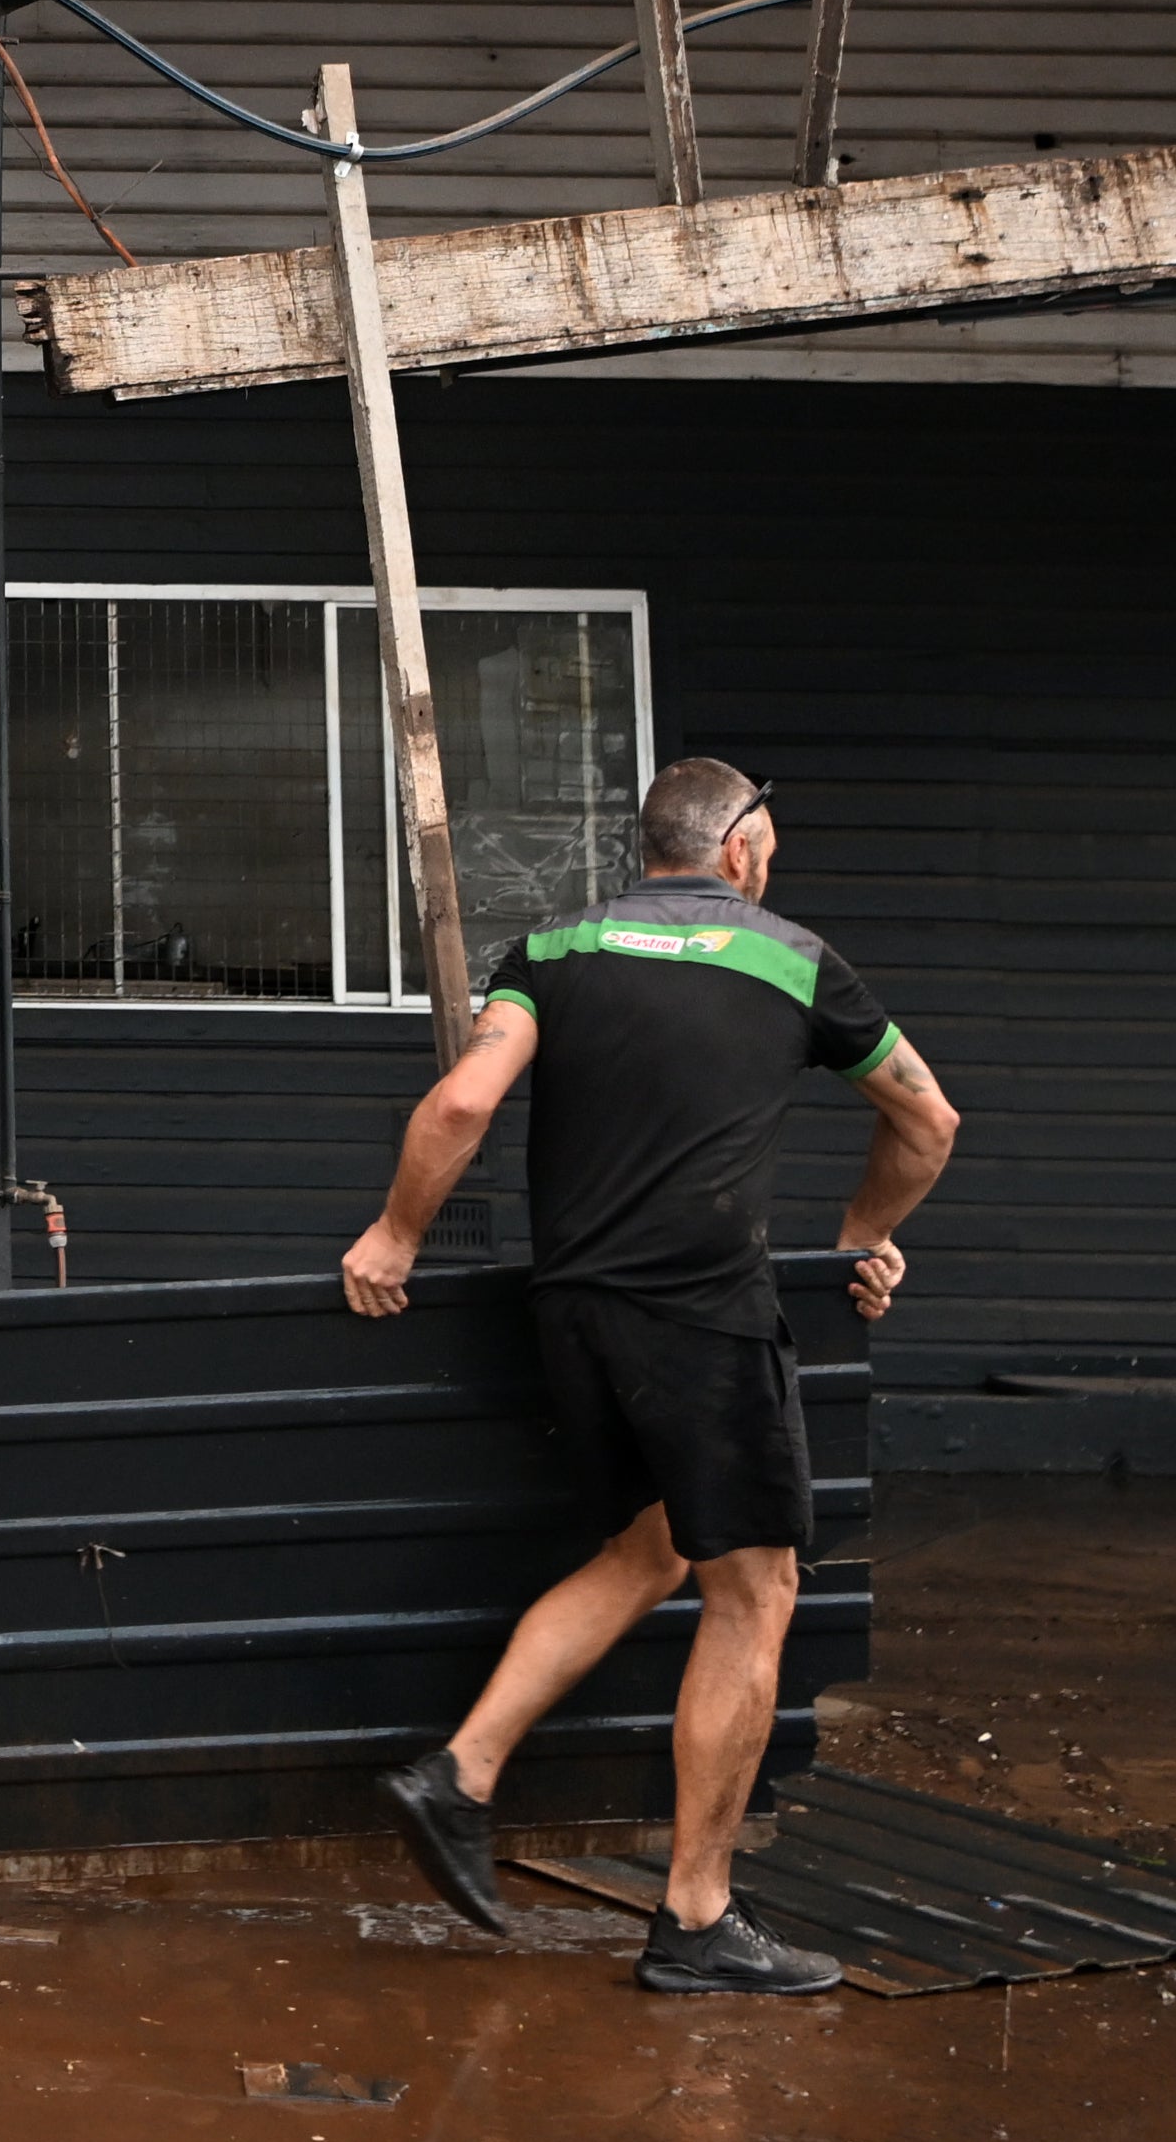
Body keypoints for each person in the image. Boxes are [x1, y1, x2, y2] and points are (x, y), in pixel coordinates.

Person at [337, 755, 960, 1996]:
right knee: (757, 1589)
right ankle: (695, 1918)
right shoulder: (790, 957)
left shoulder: (550, 950)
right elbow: (927, 1120)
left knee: (653, 1549)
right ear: (734, 851)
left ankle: (458, 1770)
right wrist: (849, 1250)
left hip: (570, 1310)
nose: (768, 861)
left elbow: (461, 1102)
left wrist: (395, 1235)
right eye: (766, 843)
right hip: (701, 1316)